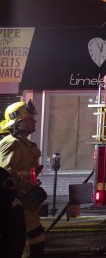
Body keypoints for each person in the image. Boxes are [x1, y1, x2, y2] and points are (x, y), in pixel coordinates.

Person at [0, 100, 46, 257]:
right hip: (15, 202)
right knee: (25, 239)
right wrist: (28, 190)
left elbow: (20, 172)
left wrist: (34, 180)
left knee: (35, 236)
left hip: (25, 201)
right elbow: (4, 175)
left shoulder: (25, 144)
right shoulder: (11, 144)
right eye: (29, 118)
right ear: (17, 123)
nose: (34, 121)